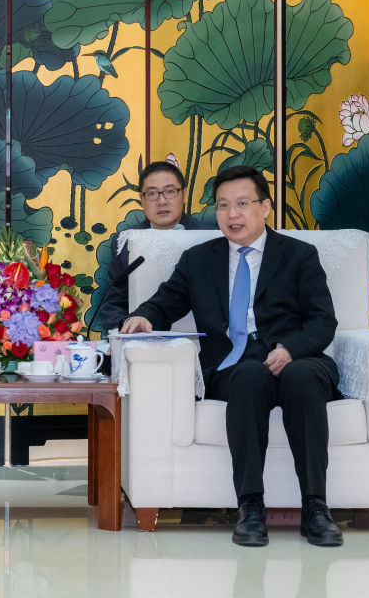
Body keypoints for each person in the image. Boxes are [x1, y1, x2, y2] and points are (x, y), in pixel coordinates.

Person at [120, 165, 343, 547]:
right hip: (233, 365)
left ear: (265, 207)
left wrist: (290, 350)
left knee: (302, 378)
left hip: (298, 357)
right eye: (223, 205)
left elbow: (323, 321)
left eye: (242, 203)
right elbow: (166, 302)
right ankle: (250, 508)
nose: (232, 214)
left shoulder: (299, 255)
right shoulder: (198, 259)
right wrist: (143, 316)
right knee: (249, 376)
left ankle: (316, 508)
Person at [97, 160, 212, 335]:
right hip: (141, 338)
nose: (161, 201)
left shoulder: (210, 238)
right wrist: (126, 330)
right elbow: (114, 303)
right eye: (152, 193)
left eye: (170, 191)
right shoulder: (126, 240)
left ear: (184, 194)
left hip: (204, 340)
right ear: (141, 199)